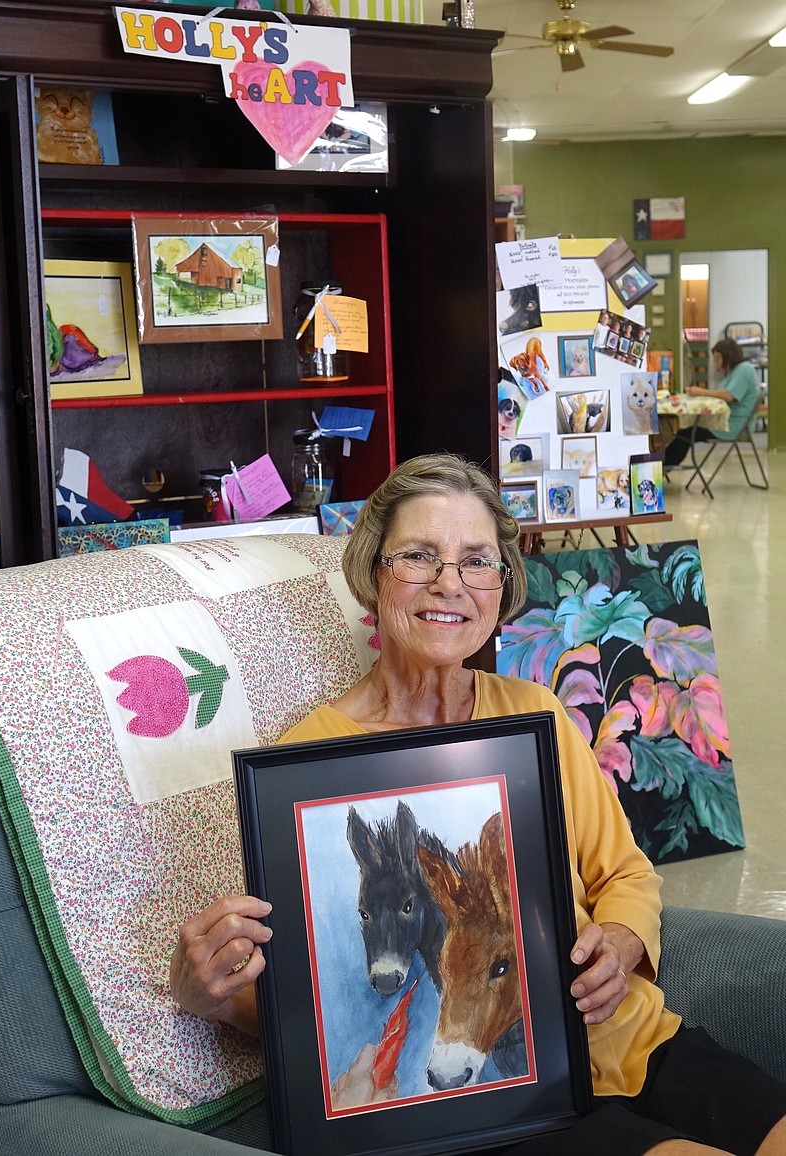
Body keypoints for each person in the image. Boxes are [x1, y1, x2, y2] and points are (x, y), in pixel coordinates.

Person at [170, 453, 786, 1156]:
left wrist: (619, 942)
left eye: (475, 561)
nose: (448, 585)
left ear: (501, 583)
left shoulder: (536, 716)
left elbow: (627, 875)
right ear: (375, 573)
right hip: (496, 1097)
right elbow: (307, 1004)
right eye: (419, 557)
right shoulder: (310, 763)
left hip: (633, 1043)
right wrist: (211, 994)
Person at [664, 338, 762, 467]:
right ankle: (664, 465)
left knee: (686, 434)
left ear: (728, 357)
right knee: (686, 432)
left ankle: (664, 466)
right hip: (726, 422)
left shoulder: (744, 370)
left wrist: (702, 391)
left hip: (731, 426)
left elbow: (728, 395)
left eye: (718, 359)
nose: (717, 363)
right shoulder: (735, 372)